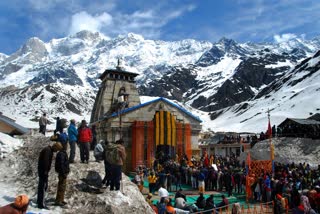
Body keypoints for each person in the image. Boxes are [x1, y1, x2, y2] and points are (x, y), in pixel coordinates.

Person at [37, 142, 63, 209]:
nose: (56, 151)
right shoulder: (48, 151)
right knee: (43, 187)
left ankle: (39, 201)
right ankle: (41, 204)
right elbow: (46, 161)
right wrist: (46, 171)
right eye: (57, 149)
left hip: (42, 171)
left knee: (42, 186)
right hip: (43, 171)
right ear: (55, 147)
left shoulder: (48, 150)